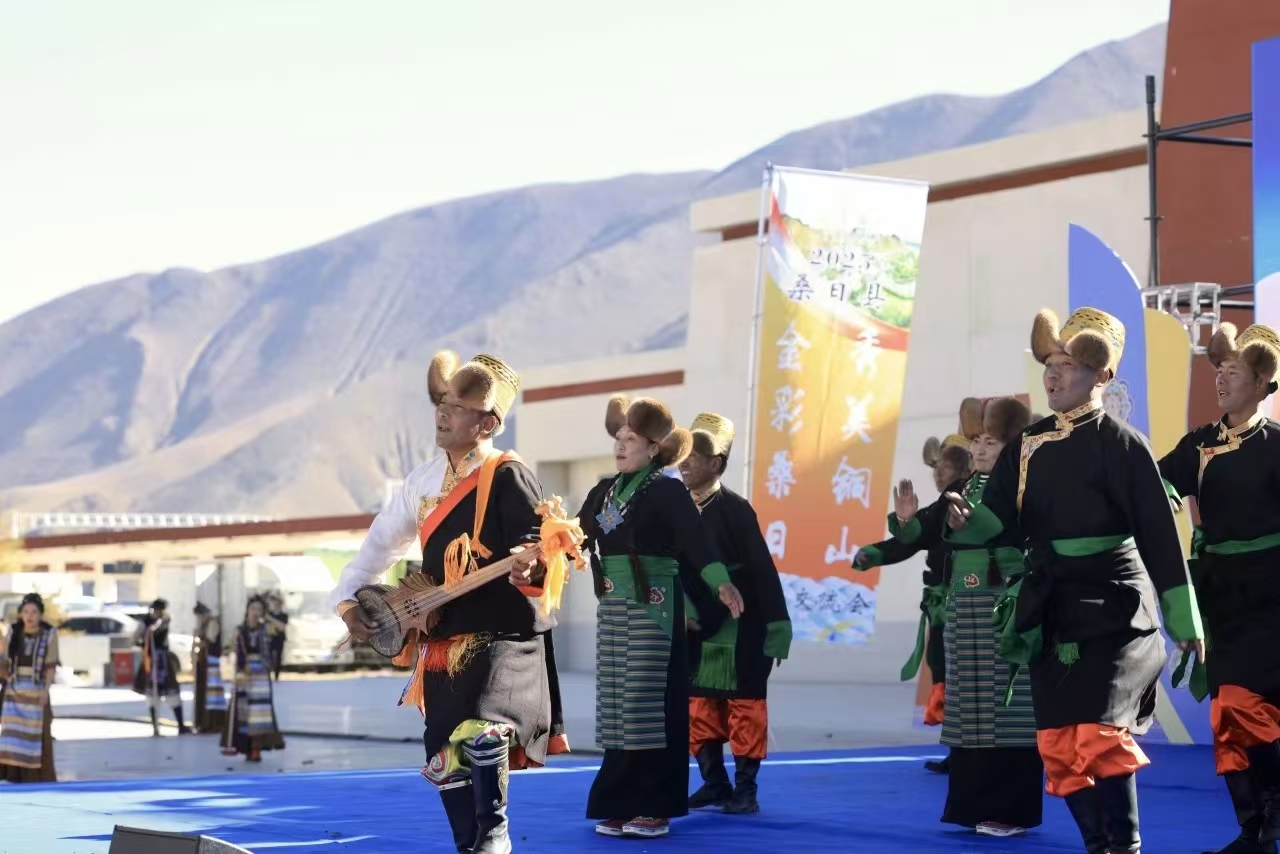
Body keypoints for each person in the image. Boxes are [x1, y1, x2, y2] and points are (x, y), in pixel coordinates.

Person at [946, 307, 1204, 854]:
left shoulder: (1124, 444)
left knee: (1101, 735)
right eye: (1050, 364)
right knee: (1058, 744)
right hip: (1053, 606)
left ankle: (1125, 846)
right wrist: (969, 525)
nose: (1053, 374)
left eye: (1068, 364)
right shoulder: (1027, 444)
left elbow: (1159, 537)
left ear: (1102, 374)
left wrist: (1184, 620)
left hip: (1115, 608)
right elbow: (999, 520)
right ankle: (1099, 845)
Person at [333, 350, 554, 854]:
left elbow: (538, 544)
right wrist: (350, 601)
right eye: (442, 403)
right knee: (442, 745)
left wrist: (531, 565)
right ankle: (470, 843)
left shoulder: (508, 474)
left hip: (503, 635)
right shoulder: (421, 482)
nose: (442, 413)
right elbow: (378, 547)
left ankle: (494, 831)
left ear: (487, 423)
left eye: (457, 406)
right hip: (443, 636)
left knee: (482, 727)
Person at [861, 397, 1042, 837]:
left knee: (1007, 707)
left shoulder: (1025, 486)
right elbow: (921, 531)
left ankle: (1011, 811)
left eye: (991, 442)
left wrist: (980, 529)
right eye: (976, 441)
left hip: (1004, 603)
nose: (979, 448)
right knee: (969, 706)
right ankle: (971, 806)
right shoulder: (963, 487)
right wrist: (903, 524)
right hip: (964, 607)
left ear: (1012, 445)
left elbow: (1024, 535)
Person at [582, 395, 745, 840]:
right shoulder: (604, 491)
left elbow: (696, 541)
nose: (620, 445)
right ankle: (619, 803)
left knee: (646, 706)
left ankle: (654, 807)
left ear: (654, 448)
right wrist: (542, 547)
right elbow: (575, 535)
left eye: (631, 439)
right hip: (613, 606)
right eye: (618, 437)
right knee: (616, 707)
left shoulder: (667, 491)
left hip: (654, 605)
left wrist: (720, 583)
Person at [1159, 322, 1280, 854]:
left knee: (1250, 708)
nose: (1222, 378)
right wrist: (1162, 491)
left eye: (1235, 371)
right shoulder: (1201, 444)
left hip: (1272, 594)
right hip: (1222, 598)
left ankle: (1267, 824)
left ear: (1262, 383)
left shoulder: (1276, 444)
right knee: (1229, 711)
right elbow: (1159, 480)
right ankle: (1256, 830)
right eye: (1220, 370)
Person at [855, 400, 979, 775]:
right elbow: (912, 538)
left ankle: (975, 754)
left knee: (965, 676)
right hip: (945, 605)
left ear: (964, 466)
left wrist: (880, 550)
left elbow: (914, 536)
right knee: (948, 673)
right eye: (937, 466)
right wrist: (876, 552)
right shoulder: (946, 502)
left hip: (972, 601)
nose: (938, 471)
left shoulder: (969, 495)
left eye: (946, 465)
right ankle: (962, 752)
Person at [678, 412, 791, 815]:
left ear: (717, 463)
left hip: (741, 624)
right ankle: (714, 783)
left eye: (695, 456)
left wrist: (777, 624)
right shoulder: (676, 509)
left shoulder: (737, 509)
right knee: (698, 706)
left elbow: (762, 568)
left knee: (745, 706)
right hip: (693, 623)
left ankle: (746, 789)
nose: (684, 462)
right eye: (683, 454)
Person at [0, 593, 59, 782]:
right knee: (11, 737)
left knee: (37, 739)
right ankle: (13, 775)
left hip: (37, 691)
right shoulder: (13, 632)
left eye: (34, 612)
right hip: (14, 691)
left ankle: (35, 778)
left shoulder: (49, 634)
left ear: (40, 615)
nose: (29, 616)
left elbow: (50, 666)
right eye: (26, 612)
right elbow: (5, 662)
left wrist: (45, 691)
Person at [222, 596, 285, 762]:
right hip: (244, 674)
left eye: (259, 609)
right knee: (244, 711)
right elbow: (229, 648)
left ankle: (256, 748)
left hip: (261, 675)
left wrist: (268, 617)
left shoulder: (266, 628)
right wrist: (230, 655)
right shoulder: (239, 630)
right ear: (247, 611)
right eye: (253, 609)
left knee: (259, 712)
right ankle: (246, 747)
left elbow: (282, 628)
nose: (256, 612)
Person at [133, 598, 188, 736]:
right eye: (158, 610)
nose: (159, 612)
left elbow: (159, 628)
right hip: (151, 661)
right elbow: (135, 638)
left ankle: (181, 726)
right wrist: (143, 643)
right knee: (152, 695)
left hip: (163, 660)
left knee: (173, 692)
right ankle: (155, 728)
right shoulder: (145, 622)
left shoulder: (164, 620)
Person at [192, 603, 228, 736]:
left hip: (212, 661)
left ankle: (214, 723)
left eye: (201, 616)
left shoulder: (212, 623)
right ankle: (203, 722)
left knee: (212, 694)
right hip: (204, 662)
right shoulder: (203, 625)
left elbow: (210, 641)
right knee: (203, 692)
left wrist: (198, 641)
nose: (200, 619)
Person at [266, 591, 289, 680]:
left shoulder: (284, 615)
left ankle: (276, 675)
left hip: (279, 638)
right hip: (270, 637)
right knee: (269, 656)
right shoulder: (269, 614)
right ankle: (269, 673)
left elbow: (282, 627)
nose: (275, 604)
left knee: (278, 656)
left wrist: (271, 620)